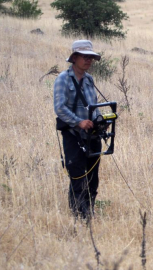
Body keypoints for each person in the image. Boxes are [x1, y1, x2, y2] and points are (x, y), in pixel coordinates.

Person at [54, 40, 102, 220]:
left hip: (92, 135)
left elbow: (94, 106)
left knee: (93, 177)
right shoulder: (62, 79)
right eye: (84, 56)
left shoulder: (89, 79)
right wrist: (79, 122)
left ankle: (88, 212)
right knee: (77, 174)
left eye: (91, 57)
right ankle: (78, 215)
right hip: (73, 134)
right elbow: (59, 108)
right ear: (74, 58)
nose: (88, 60)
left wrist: (99, 121)